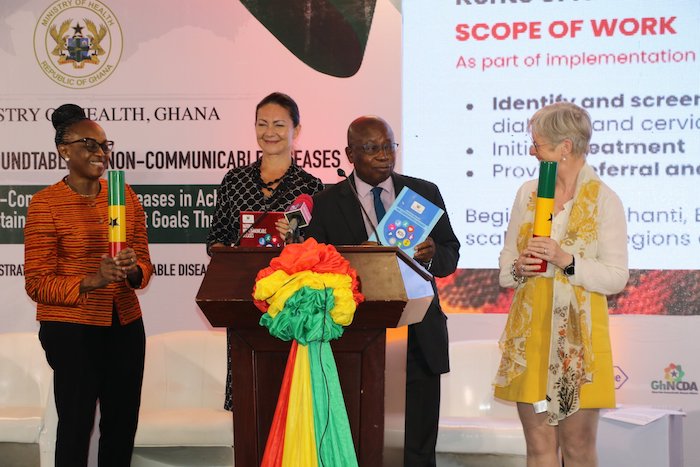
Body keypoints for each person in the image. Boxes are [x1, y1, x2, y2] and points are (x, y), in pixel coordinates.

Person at [305, 115, 460, 466]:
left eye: (389, 146)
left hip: (420, 334)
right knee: (363, 441)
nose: (383, 155)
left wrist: (435, 254)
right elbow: (317, 267)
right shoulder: (328, 202)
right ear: (350, 154)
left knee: (418, 446)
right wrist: (358, 262)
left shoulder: (423, 192)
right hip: (357, 338)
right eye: (371, 148)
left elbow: (451, 254)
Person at [494, 102, 629, 467]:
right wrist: (520, 267)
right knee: (538, 447)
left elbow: (617, 277)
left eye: (537, 143)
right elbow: (506, 269)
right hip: (531, 339)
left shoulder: (604, 199)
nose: (531, 150)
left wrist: (564, 259)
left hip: (579, 345)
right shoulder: (528, 193)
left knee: (578, 447)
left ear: (565, 147)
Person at [24, 103, 153, 467]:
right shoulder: (45, 204)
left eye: (103, 145)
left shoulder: (122, 194)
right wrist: (91, 281)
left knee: (121, 425)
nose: (100, 153)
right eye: (89, 144)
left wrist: (131, 270)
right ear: (64, 150)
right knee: (77, 425)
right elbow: (37, 283)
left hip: (125, 324)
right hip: (71, 330)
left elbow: (143, 261)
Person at [206, 92, 324, 410]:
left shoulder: (312, 187)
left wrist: (296, 238)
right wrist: (227, 253)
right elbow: (216, 239)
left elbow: (320, 252)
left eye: (278, 124)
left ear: (295, 130)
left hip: (292, 306)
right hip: (244, 301)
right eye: (262, 124)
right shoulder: (234, 181)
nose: (269, 132)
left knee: (291, 402)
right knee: (249, 399)